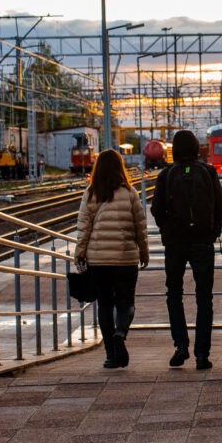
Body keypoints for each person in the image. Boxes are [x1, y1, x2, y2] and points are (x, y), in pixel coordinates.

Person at [151, 130, 222, 370]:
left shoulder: (167, 174)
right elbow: (221, 205)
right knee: (204, 297)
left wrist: (167, 228)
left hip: (175, 243)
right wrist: (213, 230)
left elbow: (156, 209)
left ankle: (180, 346)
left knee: (174, 293)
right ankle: (202, 354)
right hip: (203, 242)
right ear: (196, 148)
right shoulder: (208, 171)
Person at [74, 148, 149, 369]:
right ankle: (120, 333)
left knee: (105, 306)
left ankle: (110, 356)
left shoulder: (90, 193)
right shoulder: (130, 193)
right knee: (126, 303)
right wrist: (143, 252)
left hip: (98, 261)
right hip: (126, 259)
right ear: (120, 168)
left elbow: (83, 228)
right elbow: (140, 227)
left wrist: (80, 253)